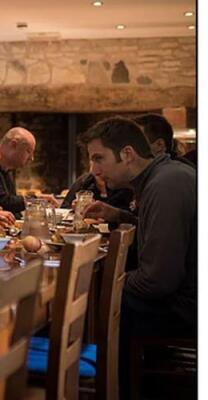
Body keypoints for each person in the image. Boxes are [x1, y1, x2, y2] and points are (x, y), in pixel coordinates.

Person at [79, 116, 196, 397]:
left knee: (91, 306)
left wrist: (100, 285)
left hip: (187, 308)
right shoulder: (165, 175)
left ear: (127, 154)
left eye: (99, 158)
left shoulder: (165, 185)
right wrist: (121, 216)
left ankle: (113, 389)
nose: (94, 169)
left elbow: (157, 282)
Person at [0, 127, 58, 218]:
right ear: (13, 145)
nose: (31, 158)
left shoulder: (5, 170)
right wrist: (36, 199)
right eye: (28, 151)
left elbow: (12, 208)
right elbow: (3, 203)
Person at [61, 165, 133, 211]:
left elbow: (128, 216)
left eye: (100, 160)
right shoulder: (85, 181)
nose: (95, 168)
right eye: (92, 161)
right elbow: (64, 207)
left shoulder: (122, 185)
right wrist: (74, 208)